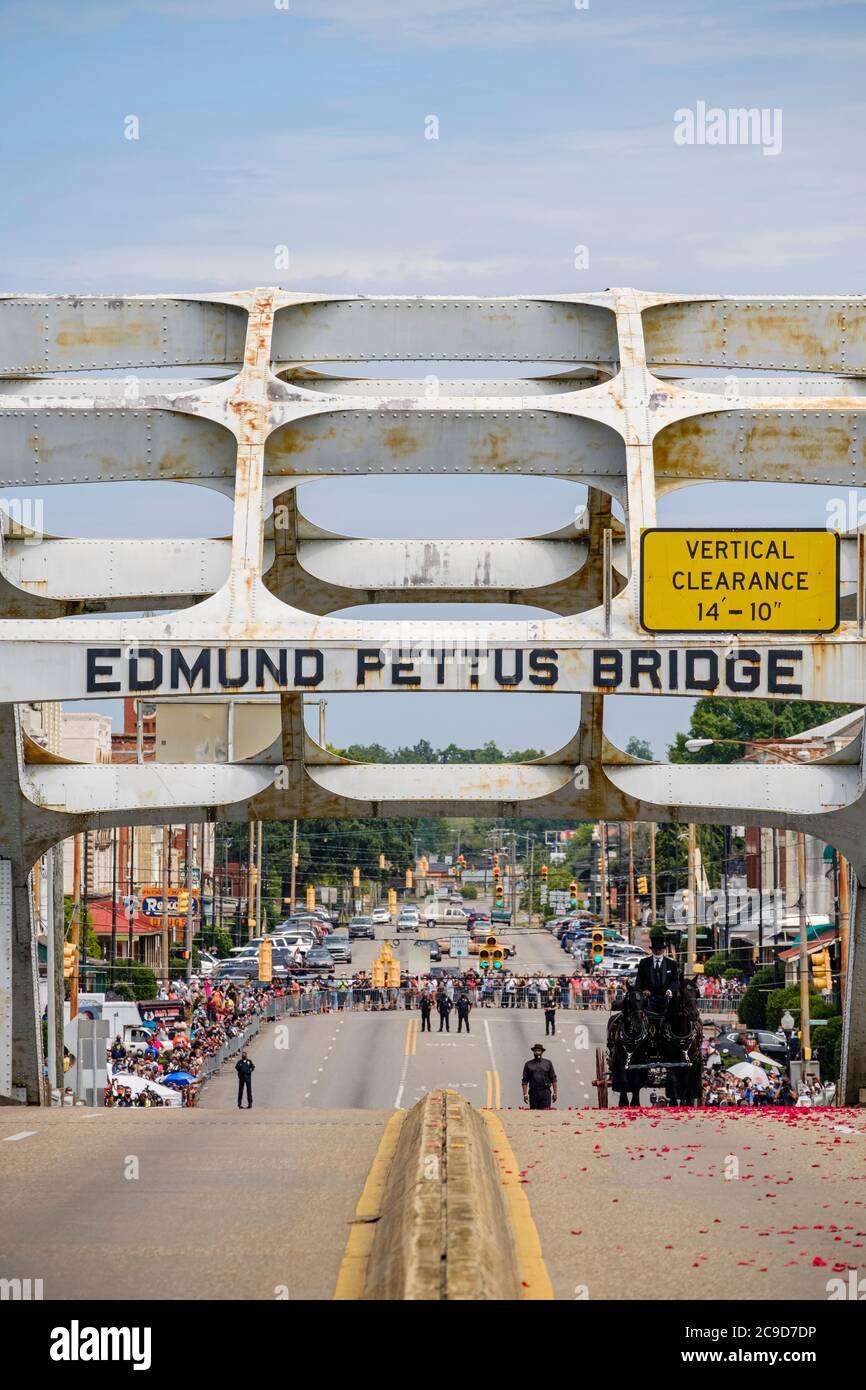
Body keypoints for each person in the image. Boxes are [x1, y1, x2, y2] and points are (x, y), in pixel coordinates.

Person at [635, 926, 678, 1010]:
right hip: (648, 1000)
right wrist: (644, 990)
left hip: (666, 1000)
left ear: (663, 949)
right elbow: (639, 980)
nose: (657, 951)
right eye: (655, 949)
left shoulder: (671, 963)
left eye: (659, 949)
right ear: (652, 949)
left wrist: (670, 990)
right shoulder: (644, 962)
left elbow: (675, 981)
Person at [521, 1043, 557, 1110]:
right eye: (535, 1051)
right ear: (533, 1052)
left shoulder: (548, 1063)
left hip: (545, 1092)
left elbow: (553, 1078)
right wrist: (525, 1094)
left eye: (538, 1051)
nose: (537, 1052)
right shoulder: (528, 1064)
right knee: (534, 1113)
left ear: (542, 1052)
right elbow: (524, 1081)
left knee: (546, 1112)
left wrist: (555, 1093)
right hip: (533, 1092)